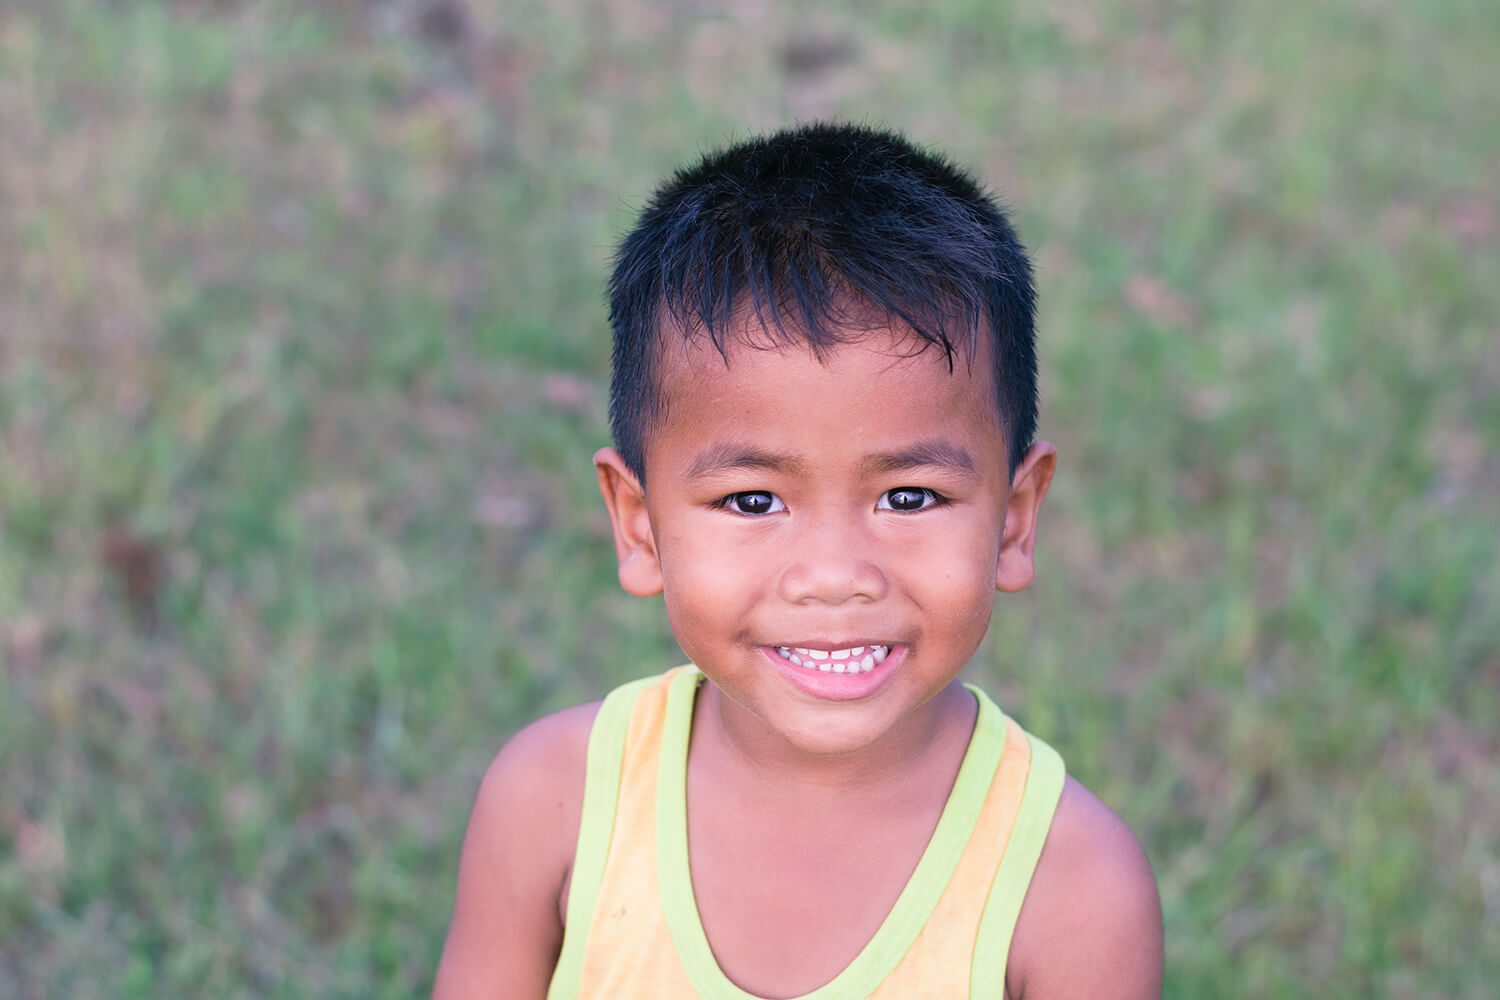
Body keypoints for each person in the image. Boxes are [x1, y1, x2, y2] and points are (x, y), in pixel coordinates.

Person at [433, 122, 1163, 999]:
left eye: (909, 497)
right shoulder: (556, 805)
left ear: (1014, 518)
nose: (832, 575)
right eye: (752, 501)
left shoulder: (1072, 889)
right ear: (638, 525)